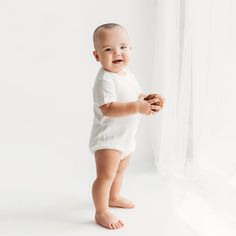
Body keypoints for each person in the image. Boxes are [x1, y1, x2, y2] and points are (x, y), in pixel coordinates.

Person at [89, 23, 164, 230]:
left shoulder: (128, 75)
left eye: (122, 47)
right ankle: (101, 211)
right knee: (105, 176)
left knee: (119, 172)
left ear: (131, 49)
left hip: (125, 138)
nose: (117, 53)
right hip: (109, 139)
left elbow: (137, 96)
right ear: (97, 56)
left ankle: (113, 197)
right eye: (108, 49)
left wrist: (149, 99)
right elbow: (108, 108)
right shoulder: (105, 79)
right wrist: (137, 107)